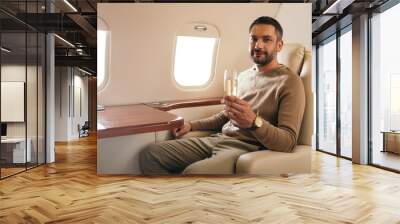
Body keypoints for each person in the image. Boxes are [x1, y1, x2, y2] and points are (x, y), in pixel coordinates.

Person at [139, 16, 305, 175]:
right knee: (150, 154)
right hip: (219, 138)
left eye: (266, 39)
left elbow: (288, 142)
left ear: (279, 45)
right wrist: (191, 125)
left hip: (246, 148)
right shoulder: (243, 76)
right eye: (253, 39)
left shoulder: (290, 82)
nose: (258, 45)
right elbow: (226, 115)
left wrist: (254, 122)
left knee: (193, 173)